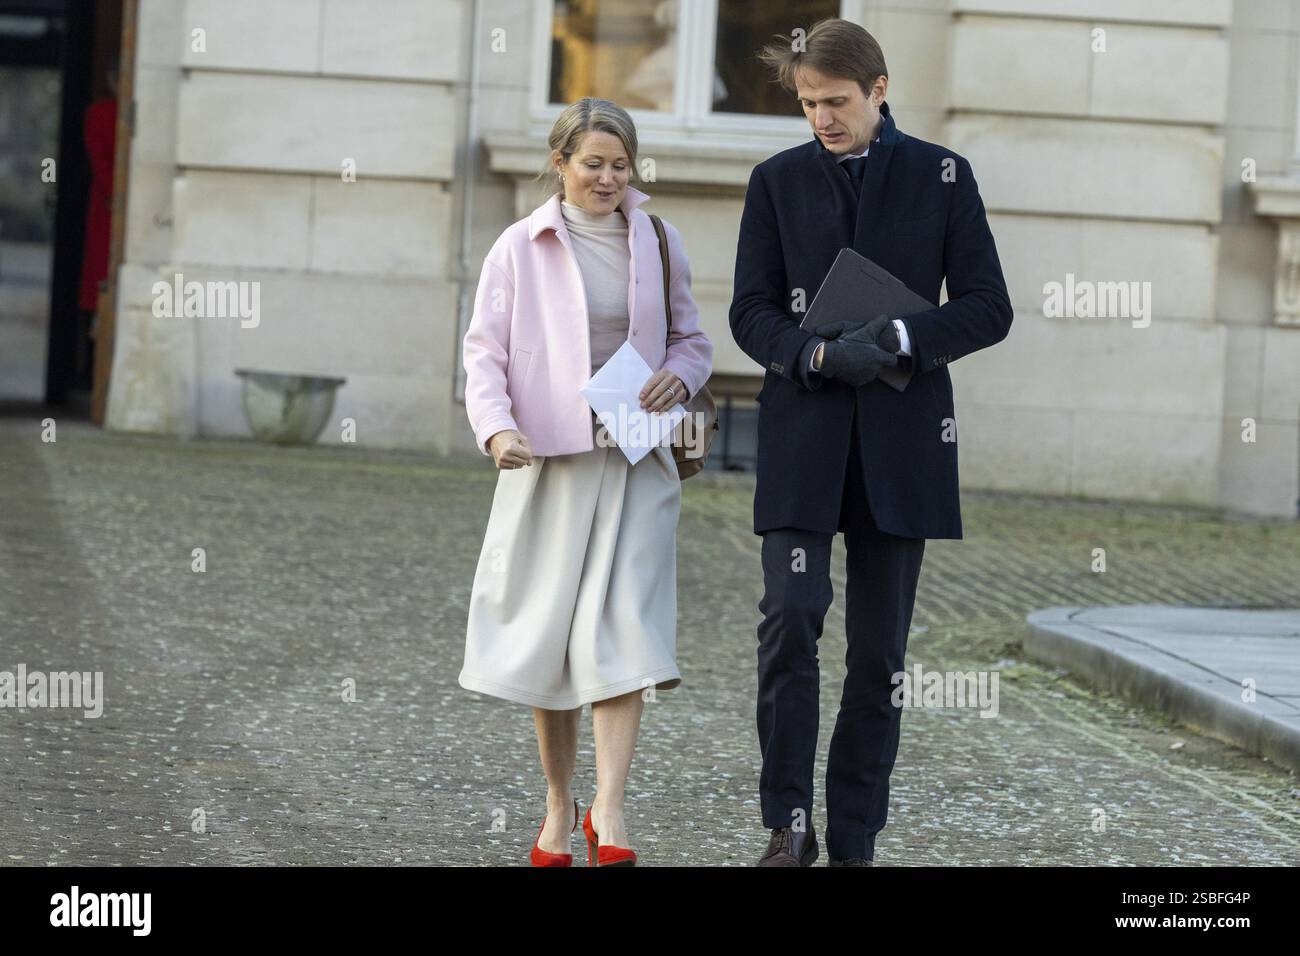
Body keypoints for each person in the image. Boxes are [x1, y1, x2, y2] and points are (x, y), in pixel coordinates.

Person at [729, 18, 1012, 866]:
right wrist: (811, 351)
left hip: (902, 446)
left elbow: (989, 306)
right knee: (789, 618)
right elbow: (750, 310)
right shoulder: (775, 180)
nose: (822, 117)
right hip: (804, 438)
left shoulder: (942, 176)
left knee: (879, 655)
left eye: (837, 102)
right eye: (810, 103)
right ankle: (789, 823)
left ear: (879, 91)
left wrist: (895, 336)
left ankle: (854, 838)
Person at [459, 97, 713, 867]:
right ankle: (557, 800)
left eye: (620, 164)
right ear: (561, 162)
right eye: (593, 163)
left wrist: (677, 376)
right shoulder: (519, 245)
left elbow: (692, 340)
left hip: (637, 461)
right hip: (550, 464)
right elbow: (484, 354)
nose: (607, 177)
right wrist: (497, 428)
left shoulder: (659, 239)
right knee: (550, 638)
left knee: (625, 630)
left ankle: (610, 805)